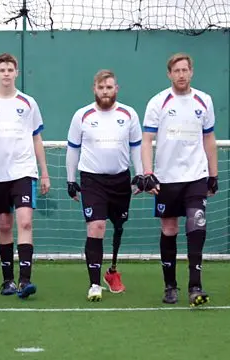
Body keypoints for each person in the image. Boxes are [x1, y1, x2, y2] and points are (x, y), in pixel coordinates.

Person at [138, 53, 218, 307]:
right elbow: (147, 141)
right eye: (176, 70)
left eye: (185, 70)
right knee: (169, 229)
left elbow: (209, 139)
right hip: (167, 178)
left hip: (196, 175)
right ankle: (170, 285)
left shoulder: (204, 101)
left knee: (197, 226)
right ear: (169, 74)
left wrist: (213, 174)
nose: (181, 74)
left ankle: (195, 286)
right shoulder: (158, 102)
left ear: (191, 72)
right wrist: (148, 173)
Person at [0, 53, 50, 299]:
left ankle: (25, 280)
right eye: (2, 69)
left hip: (24, 172)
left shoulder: (28, 103)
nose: (6, 73)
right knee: (5, 224)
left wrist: (44, 173)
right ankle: (7, 281)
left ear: (17, 73)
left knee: (25, 222)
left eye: (10, 69)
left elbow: (37, 138)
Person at [65, 69, 143, 301]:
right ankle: (94, 284)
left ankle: (112, 272)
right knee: (96, 227)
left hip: (120, 179)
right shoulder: (82, 115)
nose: (105, 91)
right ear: (94, 89)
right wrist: (71, 180)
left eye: (109, 87)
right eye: (101, 87)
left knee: (118, 227)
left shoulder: (129, 115)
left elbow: (137, 147)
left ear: (116, 89)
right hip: (92, 180)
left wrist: (139, 174)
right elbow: (73, 149)